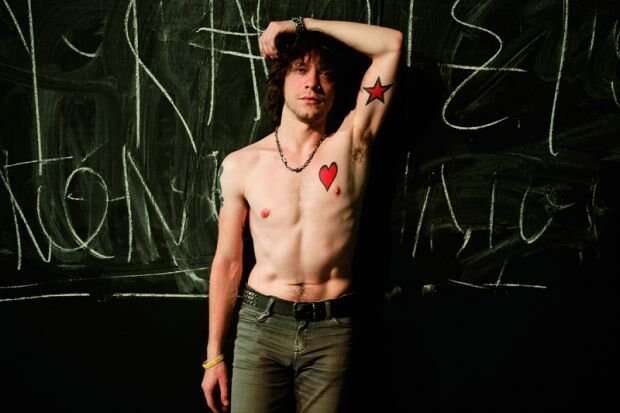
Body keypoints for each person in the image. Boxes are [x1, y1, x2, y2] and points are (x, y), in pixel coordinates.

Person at [201, 16, 402, 413]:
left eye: (324, 74)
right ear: (281, 82)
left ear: (336, 88)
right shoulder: (242, 165)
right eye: (300, 70)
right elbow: (227, 263)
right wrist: (213, 356)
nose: (313, 83)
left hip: (332, 330)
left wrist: (300, 25)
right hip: (261, 326)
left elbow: (390, 45)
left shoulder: (352, 145)